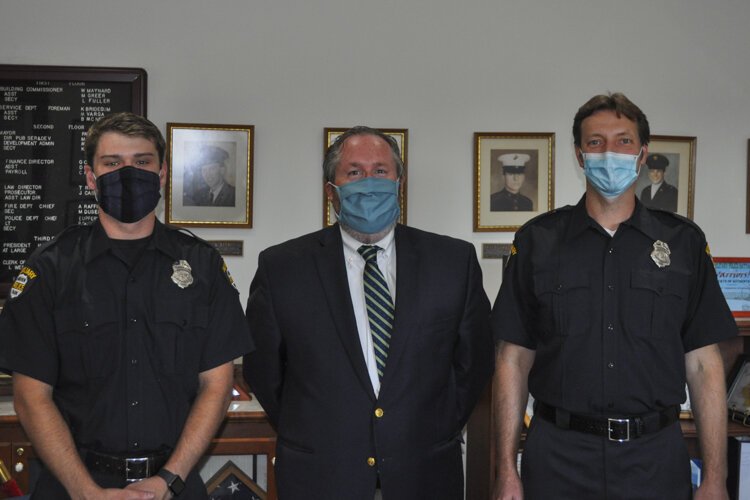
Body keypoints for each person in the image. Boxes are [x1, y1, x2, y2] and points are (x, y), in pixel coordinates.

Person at [491, 93, 736, 500]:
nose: (610, 152)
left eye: (623, 141)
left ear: (642, 155)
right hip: (558, 456)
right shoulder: (538, 241)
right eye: (595, 142)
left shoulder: (684, 243)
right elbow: (512, 360)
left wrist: (715, 478)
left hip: (654, 458)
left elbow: (705, 367)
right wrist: (504, 470)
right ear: (579, 154)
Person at [0, 112, 252, 499]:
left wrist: (169, 479)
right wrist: (87, 492)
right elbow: (31, 396)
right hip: (73, 483)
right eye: (112, 163)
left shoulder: (202, 266)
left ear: (163, 174)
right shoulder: (50, 268)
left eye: (142, 162)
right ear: (90, 177)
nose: (128, 172)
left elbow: (216, 386)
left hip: (174, 483)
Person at [244, 126, 494, 499]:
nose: (369, 183)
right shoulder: (283, 267)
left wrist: (432, 425)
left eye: (380, 171)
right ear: (332, 190)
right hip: (321, 474)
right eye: (354, 172)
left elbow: (473, 362)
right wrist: (311, 429)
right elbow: (263, 370)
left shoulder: (453, 261)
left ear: (399, 183)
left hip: (424, 471)